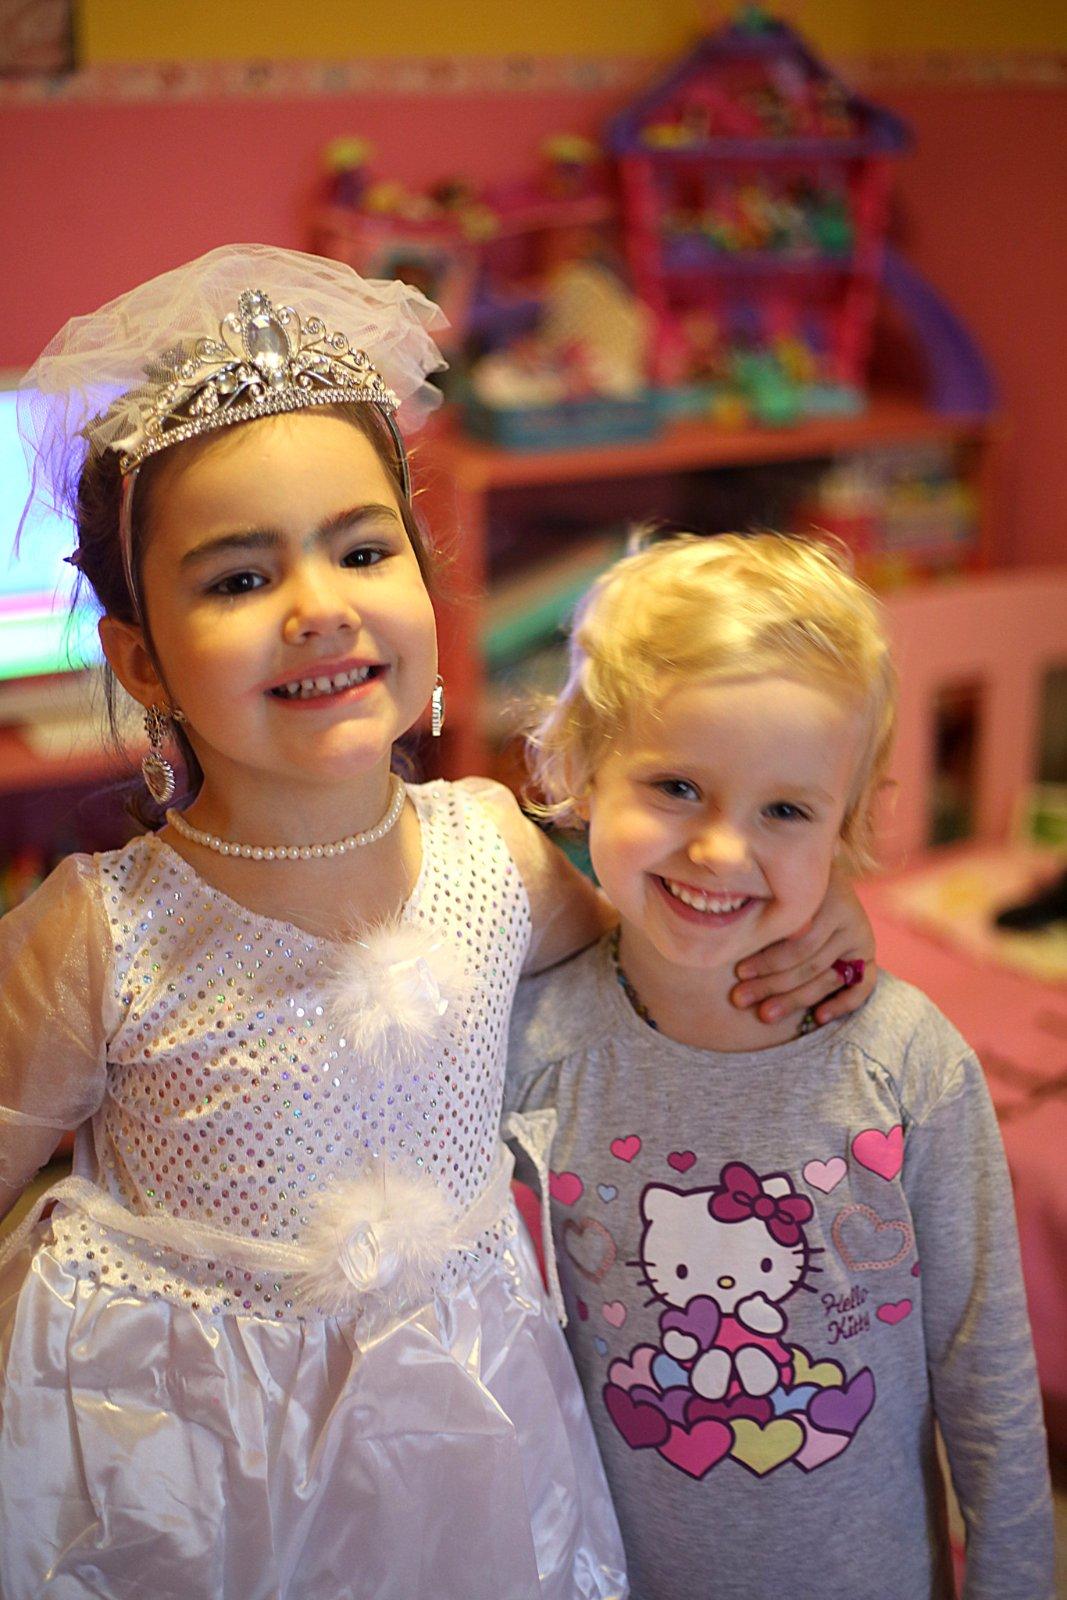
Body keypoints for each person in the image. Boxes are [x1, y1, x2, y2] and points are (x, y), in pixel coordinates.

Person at [0, 247, 871, 1599]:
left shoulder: (494, 851)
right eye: (238, 580)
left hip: (465, 1424)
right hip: (186, 1462)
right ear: (142, 659)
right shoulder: (96, 935)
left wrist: (806, 904)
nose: (318, 608)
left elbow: (660, 963)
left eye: (361, 550)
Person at [505, 532, 1054, 1600]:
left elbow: (985, 1375)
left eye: (784, 811)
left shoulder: (908, 1064)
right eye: (675, 785)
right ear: (577, 767)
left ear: (847, 825)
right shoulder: (526, 1044)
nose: (721, 850)